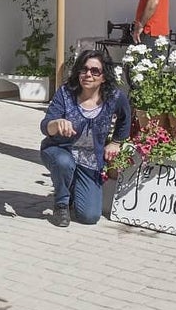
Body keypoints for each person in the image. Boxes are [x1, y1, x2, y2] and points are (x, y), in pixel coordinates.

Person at [39, 49, 131, 227]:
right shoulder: (65, 94)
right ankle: (61, 205)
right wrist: (56, 123)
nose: (88, 74)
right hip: (59, 150)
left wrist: (116, 142)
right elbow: (45, 125)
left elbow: (125, 118)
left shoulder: (114, 97)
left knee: (89, 217)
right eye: (84, 69)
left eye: (95, 71)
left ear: (103, 77)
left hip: (89, 160)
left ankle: (71, 187)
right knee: (64, 163)